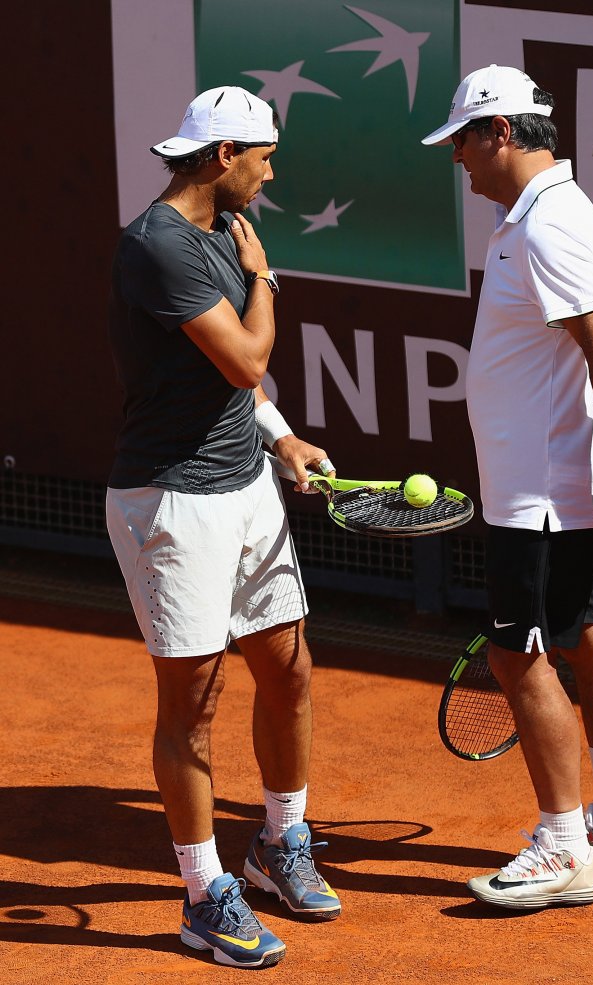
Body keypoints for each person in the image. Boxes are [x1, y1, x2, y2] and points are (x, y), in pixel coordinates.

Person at [422, 65, 593, 910]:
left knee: (517, 653)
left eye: (461, 139)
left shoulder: (546, 225)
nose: (456, 159)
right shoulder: (531, 214)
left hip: (539, 495)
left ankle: (565, 843)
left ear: (499, 131)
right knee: (592, 633)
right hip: (547, 484)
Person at [106, 85, 341, 968]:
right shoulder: (160, 246)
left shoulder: (209, 235)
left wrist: (283, 438)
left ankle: (281, 842)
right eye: (263, 157)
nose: (270, 173)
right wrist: (265, 278)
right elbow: (245, 357)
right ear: (221, 158)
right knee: (192, 706)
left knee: (289, 670)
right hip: (171, 502)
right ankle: (204, 893)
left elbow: (237, 390)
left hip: (245, 487)